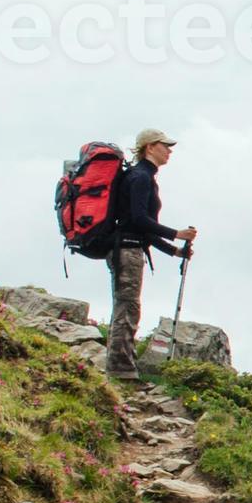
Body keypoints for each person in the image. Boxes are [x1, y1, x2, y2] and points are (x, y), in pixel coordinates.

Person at [104, 128, 197, 379]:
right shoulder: (141, 177)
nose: (169, 150)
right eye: (164, 145)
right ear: (149, 147)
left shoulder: (141, 176)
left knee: (126, 305)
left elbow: (141, 226)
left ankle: (120, 362)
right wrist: (175, 234)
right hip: (128, 250)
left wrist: (174, 250)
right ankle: (120, 368)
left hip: (126, 247)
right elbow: (138, 219)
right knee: (129, 306)